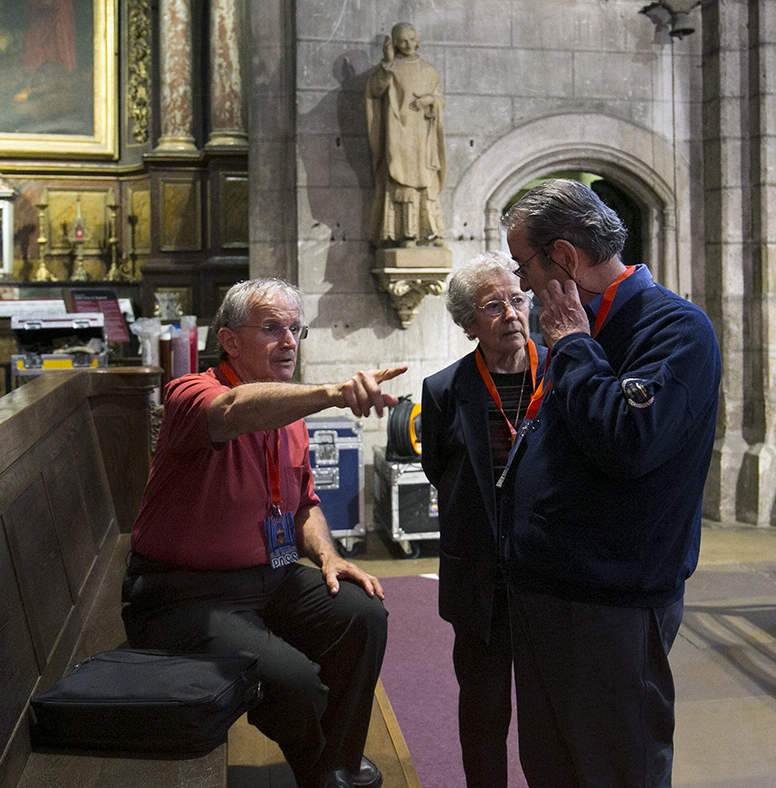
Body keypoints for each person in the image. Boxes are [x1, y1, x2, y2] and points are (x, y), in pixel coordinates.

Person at [121, 279, 407, 788]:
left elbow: (304, 507)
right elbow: (234, 412)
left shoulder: (290, 414)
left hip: (267, 578)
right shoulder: (191, 392)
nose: (289, 341)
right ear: (230, 341)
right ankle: (322, 769)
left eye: (296, 329)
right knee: (296, 682)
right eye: (272, 328)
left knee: (362, 613)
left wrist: (328, 555)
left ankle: (335, 762)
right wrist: (334, 393)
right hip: (180, 594)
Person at [500, 179, 722, 788]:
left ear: (565, 258)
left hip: (611, 599)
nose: (520, 284)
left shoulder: (674, 330)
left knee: (615, 769)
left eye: (525, 264)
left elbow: (628, 440)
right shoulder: (578, 324)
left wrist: (573, 344)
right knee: (553, 766)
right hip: (551, 587)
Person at [421, 252, 547, 787]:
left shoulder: (567, 374)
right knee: (483, 713)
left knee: (552, 718)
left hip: (551, 579)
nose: (511, 314)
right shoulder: (443, 391)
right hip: (479, 581)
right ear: (468, 322)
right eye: (493, 306)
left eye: (517, 299)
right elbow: (439, 472)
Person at [365, 22, 446, 247]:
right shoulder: (390, 69)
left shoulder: (429, 71)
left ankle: (432, 232)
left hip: (422, 138)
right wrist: (387, 63)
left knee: (425, 183)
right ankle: (406, 233)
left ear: (417, 40)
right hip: (398, 136)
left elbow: (439, 99)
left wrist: (430, 101)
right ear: (394, 44)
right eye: (402, 41)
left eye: (411, 39)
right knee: (401, 182)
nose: (407, 44)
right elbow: (375, 90)